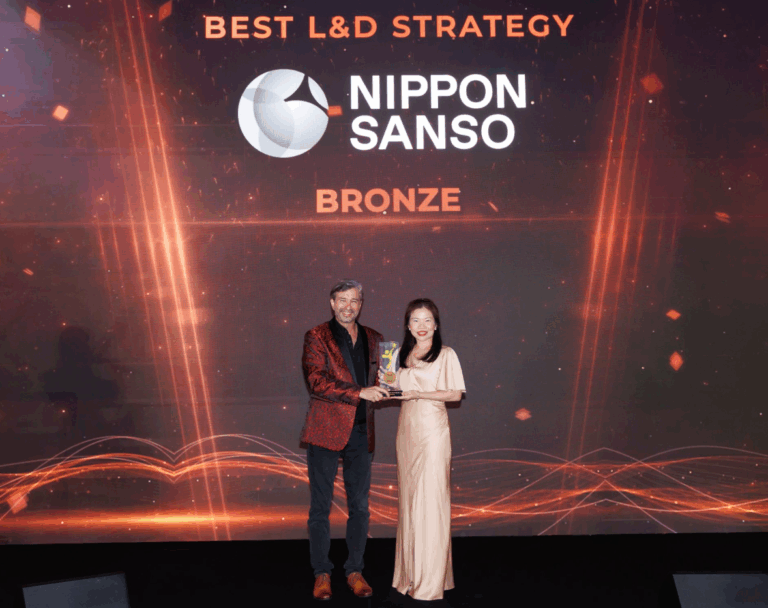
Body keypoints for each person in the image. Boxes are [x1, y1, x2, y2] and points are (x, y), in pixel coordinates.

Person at [300, 279, 389, 601]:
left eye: (354, 301)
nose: (348, 306)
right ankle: (321, 573)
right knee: (320, 508)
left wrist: (394, 382)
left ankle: (354, 570)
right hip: (325, 430)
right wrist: (360, 392)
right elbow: (316, 380)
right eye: (342, 300)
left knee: (360, 508)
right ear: (332, 302)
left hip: (361, 432)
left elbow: (383, 379)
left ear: (361, 304)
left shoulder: (375, 338)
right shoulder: (316, 336)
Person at [388, 298, 466, 601]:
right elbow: (396, 391)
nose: (421, 326)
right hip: (406, 432)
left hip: (433, 433)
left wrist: (418, 393)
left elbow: (455, 394)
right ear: (408, 326)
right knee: (409, 503)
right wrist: (387, 387)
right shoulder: (400, 355)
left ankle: (429, 582)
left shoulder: (446, 354)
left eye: (427, 320)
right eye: (415, 320)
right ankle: (409, 576)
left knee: (430, 502)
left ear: (436, 324)